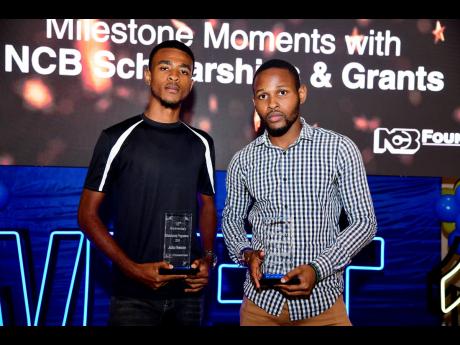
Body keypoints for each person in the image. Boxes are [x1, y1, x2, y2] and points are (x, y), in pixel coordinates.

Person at [222, 59, 377, 326]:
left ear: (301, 93)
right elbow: (231, 219)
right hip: (261, 308)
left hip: (323, 306)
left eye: (282, 92)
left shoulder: (339, 149)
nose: (272, 103)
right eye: (263, 96)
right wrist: (245, 253)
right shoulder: (243, 161)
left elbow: (364, 222)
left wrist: (318, 269)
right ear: (254, 102)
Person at [78, 40, 217, 326]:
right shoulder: (115, 138)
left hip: (187, 295)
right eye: (165, 67)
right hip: (133, 296)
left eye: (183, 70)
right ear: (148, 74)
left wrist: (207, 259)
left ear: (191, 81)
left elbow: (207, 205)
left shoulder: (201, 143)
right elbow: (87, 215)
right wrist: (133, 270)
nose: (174, 76)